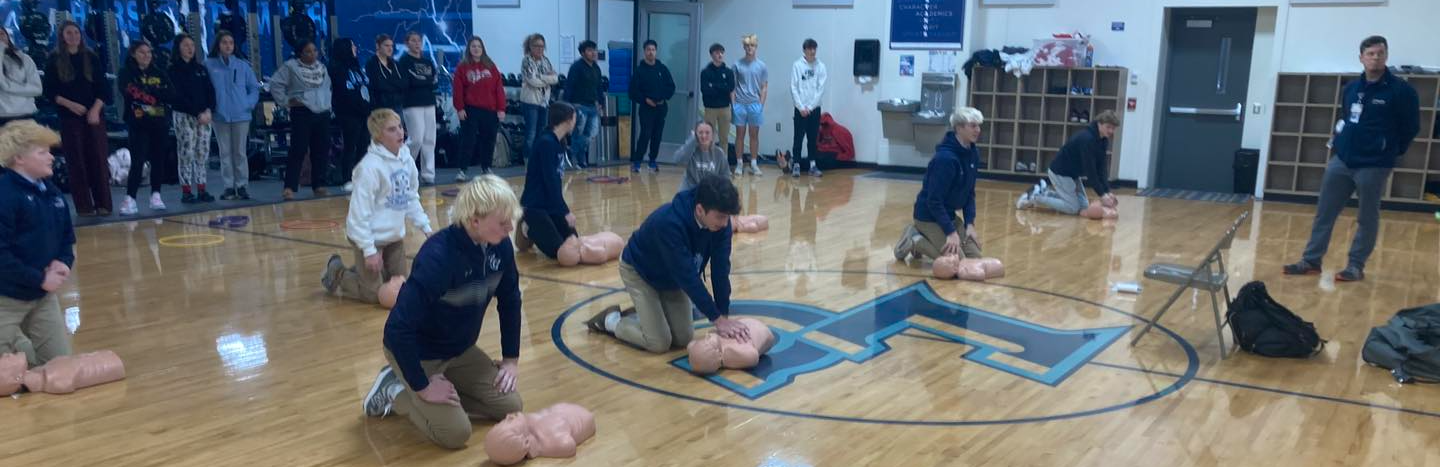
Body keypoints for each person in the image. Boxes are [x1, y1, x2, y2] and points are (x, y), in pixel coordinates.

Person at [363, 174, 524, 450]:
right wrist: (422, 385)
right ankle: (395, 389)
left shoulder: (501, 247)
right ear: (475, 220)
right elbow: (397, 329)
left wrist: (510, 359)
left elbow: (510, 300)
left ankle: (439, 389)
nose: (510, 228)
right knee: (454, 433)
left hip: (459, 350)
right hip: (419, 352)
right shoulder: (438, 257)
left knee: (511, 405)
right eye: (503, 222)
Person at [1283, 35, 1420, 282]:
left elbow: (1411, 127)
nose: (1375, 57)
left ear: (1386, 56)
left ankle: (1356, 266)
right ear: (1361, 58)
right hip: (1342, 160)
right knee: (1324, 212)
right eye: (1370, 54)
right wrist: (1339, 145)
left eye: (1380, 53)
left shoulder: (1401, 91)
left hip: (1375, 164)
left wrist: (1389, 150)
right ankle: (1311, 260)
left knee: (1367, 217)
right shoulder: (1351, 89)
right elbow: (1346, 118)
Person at [585, 175, 750, 353]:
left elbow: (720, 270)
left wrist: (723, 316)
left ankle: (648, 312)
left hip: (671, 277)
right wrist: (717, 319)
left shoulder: (721, 226)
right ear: (700, 210)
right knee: (659, 343)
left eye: (727, 217)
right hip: (640, 271)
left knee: (683, 338)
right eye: (720, 217)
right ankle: (611, 320)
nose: (725, 223)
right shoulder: (670, 224)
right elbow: (688, 277)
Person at [322, 109, 431, 303]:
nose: (400, 133)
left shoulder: (406, 159)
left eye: (400, 127)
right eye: (392, 129)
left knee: (400, 287)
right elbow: (358, 216)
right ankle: (337, 271)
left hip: (394, 238)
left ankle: (362, 270)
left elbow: (410, 196)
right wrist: (369, 251)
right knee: (375, 295)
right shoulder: (369, 168)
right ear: (378, 136)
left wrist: (426, 227)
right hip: (368, 236)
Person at [0, 120, 73, 367]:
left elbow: (66, 238)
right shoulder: (5, 195)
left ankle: (16, 341)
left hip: (42, 296)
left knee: (60, 366)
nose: (51, 158)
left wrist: (63, 262)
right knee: (5, 375)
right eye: (42, 152)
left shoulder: (52, 193)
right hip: (6, 296)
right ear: (19, 158)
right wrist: (40, 279)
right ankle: (15, 339)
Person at [894, 107, 985, 262]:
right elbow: (933, 201)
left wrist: (969, 224)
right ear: (959, 127)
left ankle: (928, 240)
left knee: (975, 258)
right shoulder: (945, 159)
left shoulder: (973, 154)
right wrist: (950, 233)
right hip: (928, 217)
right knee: (955, 263)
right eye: (973, 125)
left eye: (979, 125)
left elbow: (969, 193)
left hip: (948, 216)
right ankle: (915, 240)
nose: (978, 130)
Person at [43, 21, 111, 217]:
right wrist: (70, 105)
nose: (73, 36)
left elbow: (103, 88)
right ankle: (84, 206)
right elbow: (50, 91)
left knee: (98, 159)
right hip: (69, 117)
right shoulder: (54, 60)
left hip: (94, 117)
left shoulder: (91, 57)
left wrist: (95, 110)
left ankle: (103, 204)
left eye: (76, 32)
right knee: (76, 162)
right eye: (68, 33)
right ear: (62, 36)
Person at [1015, 110, 1121, 216]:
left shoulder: (1103, 140)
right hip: (1060, 173)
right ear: (1099, 123)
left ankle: (1044, 191)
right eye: (1108, 127)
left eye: (1113, 128)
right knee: (1073, 208)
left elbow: (1102, 167)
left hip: (1072, 174)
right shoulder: (1087, 139)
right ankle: (1035, 196)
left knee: (1083, 206)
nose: (1111, 131)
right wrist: (1102, 195)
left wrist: (1107, 191)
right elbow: (1091, 171)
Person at [269, 40, 332, 200]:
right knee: (298, 149)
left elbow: (327, 88)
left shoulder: (322, 68)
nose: (312, 54)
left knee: (321, 150)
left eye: (314, 51)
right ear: (300, 54)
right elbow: (275, 84)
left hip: (322, 112)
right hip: (302, 112)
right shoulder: (291, 67)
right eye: (308, 51)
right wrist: (286, 101)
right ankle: (290, 187)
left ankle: (319, 185)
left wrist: (327, 104)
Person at [117, 41, 173, 216]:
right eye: (142, 52)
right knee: (138, 160)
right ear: (134, 54)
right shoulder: (126, 73)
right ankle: (130, 198)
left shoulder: (159, 73)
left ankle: (156, 194)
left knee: (158, 159)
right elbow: (130, 91)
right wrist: (153, 93)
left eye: (148, 52)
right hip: (138, 123)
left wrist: (152, 93)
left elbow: (170, 93)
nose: (146, 56)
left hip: (159, 122)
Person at [204, 30, 261, 201]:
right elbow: (204, 88)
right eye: (224, 42)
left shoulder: (243, 65)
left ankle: (242, 186)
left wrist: (248, 104)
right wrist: (210, 108)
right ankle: (229, 186)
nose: (228, 45)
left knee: (240, 152)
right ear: (218, 45)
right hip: (219, 116)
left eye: (231, 42)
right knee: (225, 153)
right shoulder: (209, 65)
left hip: (241, 116)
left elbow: (254, 88)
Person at [518, 102, 579, 260]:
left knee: (573, 240)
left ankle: (541, 228)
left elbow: (556, 185)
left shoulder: (559, 143)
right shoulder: (546, 143)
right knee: (558, 252)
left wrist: (561, 211)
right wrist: (565, 211)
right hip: (535, 205)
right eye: (574, 118)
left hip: (550, 205)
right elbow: (550, 181)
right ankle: (527, 226)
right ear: (567, 120)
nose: (575, 122)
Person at [169, 34, 216, 204]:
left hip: (204, 117)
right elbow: (177, 96)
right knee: (186, 152)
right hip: (184, 116)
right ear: (178, 48)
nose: (190, 48)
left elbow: (210, 91)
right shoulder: (173, 70)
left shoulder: (201, 69)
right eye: (186, 45)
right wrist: (196, 112)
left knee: (202, 152)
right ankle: (186, 191)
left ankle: (202, 188)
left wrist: (209, 110)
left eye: (192, 45)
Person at [452, 35, 505, 180]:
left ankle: (486, 167)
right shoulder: (462, 67)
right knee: (467, 140)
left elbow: (498, 88)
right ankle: (462, 170)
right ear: (469, 49)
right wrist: (460, 108)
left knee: (489, 139)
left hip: (490, 110)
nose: (476, 49)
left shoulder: (491, 66)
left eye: (479, 46)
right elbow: (458, 89)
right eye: (473, 46)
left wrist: (501, 108)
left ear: (483, 49)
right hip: (470, 110)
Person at [628, 39, 675, 173]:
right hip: (647, 108)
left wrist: (663, 97)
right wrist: (645, 99)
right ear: (644, 52)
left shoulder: (662, 69)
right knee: (645, 134)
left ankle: (652, 161)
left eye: (653, 50)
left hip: (661, 108)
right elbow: (632, 92)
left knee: (657, 135)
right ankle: (637, 161)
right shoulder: (639, 71)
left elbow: (671, 86)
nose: (651, 52)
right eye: (648, 50)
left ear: (656, 51)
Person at [329, 38, 371, 185]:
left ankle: (362, 176)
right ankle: (347, 177)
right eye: (352, 46)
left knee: (364, 145)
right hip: (348, 114)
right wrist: (359, 106)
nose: (355, 48)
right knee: (350, 146)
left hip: (364, 113)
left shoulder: (357, 67)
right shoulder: (337, 69)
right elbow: (343, 93)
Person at [399, 31, 438, 185]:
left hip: (429, 102)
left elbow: (433, 81)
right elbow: (408, 82)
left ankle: (428, 174)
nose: (417, 44)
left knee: (430, 139)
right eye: (413, 41)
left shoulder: (428, 62)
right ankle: (404, 169)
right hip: (412, 103)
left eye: (419, 41)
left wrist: (422, 82)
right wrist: (424, 82)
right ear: (407, 43)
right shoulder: (404, 62)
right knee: (416, 139)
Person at [564, 40, 605, 169]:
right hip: (578, 105)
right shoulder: (576, 67)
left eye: (594, 50)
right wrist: (567, 105)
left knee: (590, 133)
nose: (593, 53)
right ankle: (581, 161)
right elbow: (569, 86)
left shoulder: (596, 68)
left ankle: (572, 152)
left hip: (592, 105)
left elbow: (599, 87)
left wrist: (601, 102)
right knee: (579, 133)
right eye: (589, 50)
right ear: (583, 53)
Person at [790, 38, 827, 178]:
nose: (812, 51)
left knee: (812, 138)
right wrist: (800, 107)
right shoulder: (797, 65)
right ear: (804, 50)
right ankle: (796, 165)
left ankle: (812, 165)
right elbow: (793, 87)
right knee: (798, 138)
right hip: (800, 109)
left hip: (814, 109)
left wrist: (811, 107)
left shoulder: (821, 66)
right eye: (809, 49)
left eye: (814, 49)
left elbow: (820, 89)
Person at [732, 34, 767, 176]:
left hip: (754, 105)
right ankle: (739, 164)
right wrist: (733, 104)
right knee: (739, 135)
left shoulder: (762, 66)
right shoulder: (736, 65)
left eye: (751, 45)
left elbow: (764, 87)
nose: (749, 48)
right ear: (743, 47)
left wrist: (761, 104)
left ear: (756, 47)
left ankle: (754, 163)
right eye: (746, 46)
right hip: (740, 105)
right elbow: (732, 87)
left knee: (754, 135)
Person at [520, 34, 558, 164]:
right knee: (531, 133)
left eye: (542, 46)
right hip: (530, 102)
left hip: (544, 102)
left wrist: (540, 76)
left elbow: (555, 79)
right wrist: (546, 79)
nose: (540, 49)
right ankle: (527, 159)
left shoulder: (546, 61)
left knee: (541, 132)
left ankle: (538, 158)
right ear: (530, 47)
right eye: (536, 46)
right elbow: (532, 81)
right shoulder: (526, 61)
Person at [700, 43, 734, 168]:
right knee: (709, 138)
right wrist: (721, 87)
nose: (719, 54)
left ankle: (723, 165)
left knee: (724, 138)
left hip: (725, 108)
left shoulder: (728, 72)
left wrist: (713, 86)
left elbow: (730, 88)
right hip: (710, 109)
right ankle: (710, 164)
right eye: (716, 52)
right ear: (711, 54)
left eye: (721, 52)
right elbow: (705, 90)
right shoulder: (705, 72)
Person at [0, 28, 41, 126]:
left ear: (7, 37)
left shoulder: (25, 59)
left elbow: (37, 89)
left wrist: (7, 87)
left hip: (25, 116)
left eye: (1, 34)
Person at [675, 121, 729, 192]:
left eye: (707, 133)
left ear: (712, 136)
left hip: (710, 193)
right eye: (700, 133)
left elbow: (725, 177)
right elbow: (678, 160)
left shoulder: (719, 153)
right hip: (690, 192)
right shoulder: (690, 150)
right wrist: (692, 141)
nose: (703, 136)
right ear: (695, 135)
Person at [366, 34, 405, 117]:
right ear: (378, 46)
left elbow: (403, 83)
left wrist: (391, 84)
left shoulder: (395, 64)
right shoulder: (371, 64)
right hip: (381, 107)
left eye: (391, 46)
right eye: (386, 45)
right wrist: (394, 85)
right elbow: (379, 84)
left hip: (397, 106)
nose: (390, 48)